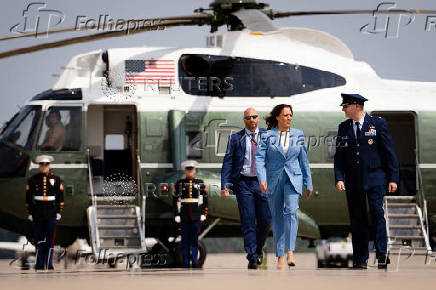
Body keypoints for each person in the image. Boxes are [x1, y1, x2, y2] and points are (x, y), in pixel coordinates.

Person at [334, 93, 399, 269]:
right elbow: (339, 157)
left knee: (377, 214)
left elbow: (388, 153)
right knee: (357, 219)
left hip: (375, 178)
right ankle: (360, 259)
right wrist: (339, 178)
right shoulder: (344, 127)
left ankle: (382, 254)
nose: (343, 109)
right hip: (353, 180)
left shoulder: (378, 124)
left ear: (356, 106)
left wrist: (393, 178)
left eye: (345, 106)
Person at [255, 104, 313, 269]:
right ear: (278, 117)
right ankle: (280, 256)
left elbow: (304, 161)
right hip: (274, 179)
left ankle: (290, 252)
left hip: (293, 178)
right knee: (277, 217)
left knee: (291, 212)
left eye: (290, 115)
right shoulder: (267, 136)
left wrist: (308, 182)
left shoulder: (298, 134)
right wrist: (262, 179)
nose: (289, 118)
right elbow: (259, 158)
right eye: (285, 115)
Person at [221, 107, 271, 270]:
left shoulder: (268, 136)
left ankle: (257, 249)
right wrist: (225, 185)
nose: (252, 120)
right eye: (248, 117)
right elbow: (228, 162)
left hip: (263, 183)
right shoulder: (236, 138)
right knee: (248, 220)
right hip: (243, 183)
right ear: (244, 120)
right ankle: (251, 257)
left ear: (258, 119)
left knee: (265, 220)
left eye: (255, 117)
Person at [25, 155, 64, 270]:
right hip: (38, 212)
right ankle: (40, 263)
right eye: (42, 165)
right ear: (39, 166)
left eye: (46, 165)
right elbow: (28, 199)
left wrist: (58, 211)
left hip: (51, 212)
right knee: (38, 239)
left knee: (50, 240)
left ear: (49, 166)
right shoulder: (33, 180)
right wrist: (30, 213)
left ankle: (49, 263)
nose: (44, 167)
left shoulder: (56, 179)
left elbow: (60, 197)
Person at [173, 160, 208, 268]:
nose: (190, 172)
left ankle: (195, 262)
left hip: (196, 215)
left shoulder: (200, 183)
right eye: (188, 170)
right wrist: (177, 214)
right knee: (185, 240)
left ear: (194, 171)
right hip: (184, 215)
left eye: (191, 170)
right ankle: (186, 262)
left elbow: (205, 199)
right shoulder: (180, 183)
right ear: (185, 171)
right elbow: (175, 200)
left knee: (194, 240)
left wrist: (203, 213)